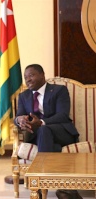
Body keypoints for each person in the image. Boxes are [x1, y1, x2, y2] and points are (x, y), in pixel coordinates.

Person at [14, 64, 81, 199]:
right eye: (25, 77)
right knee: (47, 138)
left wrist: (42, 122)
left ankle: (39, 185)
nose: (28, 80)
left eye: (31, 75)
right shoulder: (23, 96)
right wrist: (19, 120)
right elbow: (18, 116)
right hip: (38, 136)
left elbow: (62, 115)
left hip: (61, 132)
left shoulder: (59, 90)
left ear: (42, 75)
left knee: (44, 129)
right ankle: (65, 189)